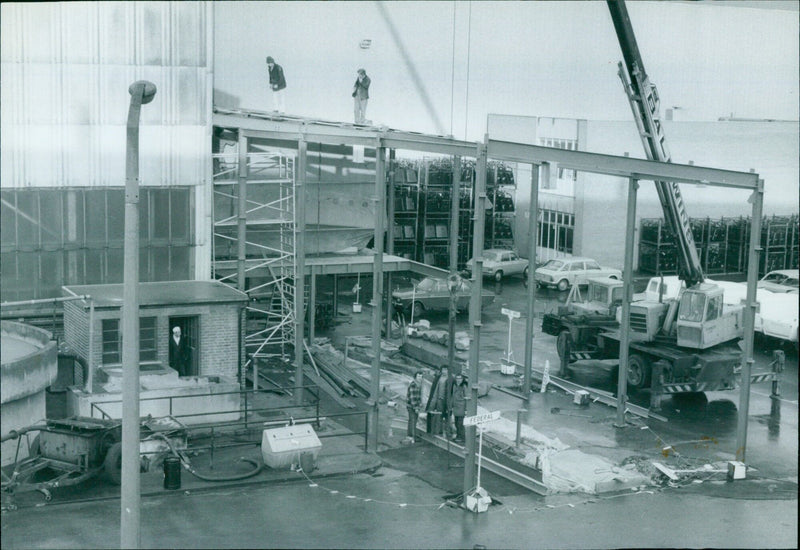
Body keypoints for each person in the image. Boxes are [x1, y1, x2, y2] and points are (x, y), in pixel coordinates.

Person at [425, 366, 449, 435]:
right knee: (430, 413)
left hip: (443, 400)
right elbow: (434, 388)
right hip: (435, 398)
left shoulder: (450, 379)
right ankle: (430, 430)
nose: (444, 371)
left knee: (441, 416)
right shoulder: (438, 377)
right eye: (443, 370)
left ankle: (440, 431)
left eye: (446, 370)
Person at [450, 373, 469, 443]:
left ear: (462, 379)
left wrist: (466, 409)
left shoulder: (464, 387)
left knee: (460, 423)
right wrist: (451, 406)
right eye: (457, 378)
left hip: (461, 407)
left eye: (460, 378)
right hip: (455, 407)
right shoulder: (454, 386)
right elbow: (453, 396)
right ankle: (458, 436)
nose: (458, 380)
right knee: (456, 423)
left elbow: (467, 398)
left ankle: (462, 437)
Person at [406, 370, 424, 442]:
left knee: (412, 420)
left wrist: (420, 403)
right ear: (415, 377)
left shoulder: (419, 384)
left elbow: (418, 396)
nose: (420, 378)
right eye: (418, 376)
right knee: (413, 420)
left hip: (413, 405)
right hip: (411, 406)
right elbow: (413, 398)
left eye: (421, 376)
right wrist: (416, 408)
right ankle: (412, 436)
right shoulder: (413, 385)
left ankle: (410, 435)